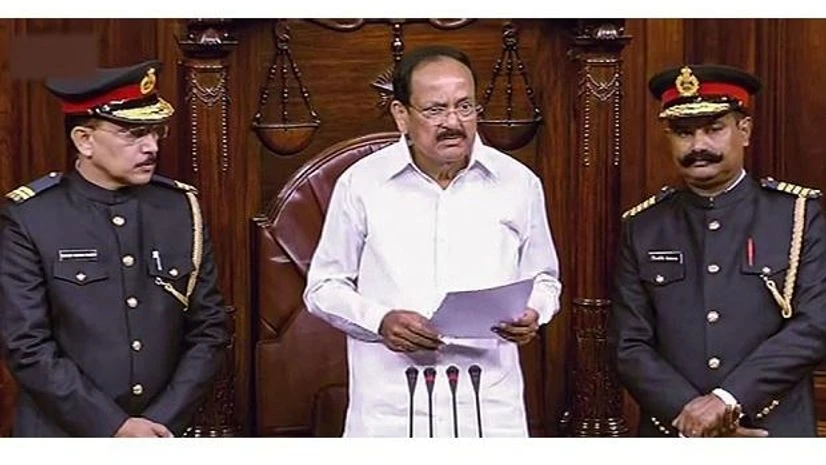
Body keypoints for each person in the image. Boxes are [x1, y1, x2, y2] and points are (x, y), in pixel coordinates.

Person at [303, 45, 562, 437]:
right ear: (401, 115)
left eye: (465, 106)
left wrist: (535, 312)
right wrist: (380, 320)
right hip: (391, 411)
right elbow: (323, 287)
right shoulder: (361, 183)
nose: (453, 122)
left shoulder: (519, 183)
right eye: (435, 109)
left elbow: (545, 279)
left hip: (489, 409)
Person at [0, 60, 228, 437]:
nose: (151, 146)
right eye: (132, 133)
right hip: (61, 435)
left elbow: (210, 329)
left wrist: (159, 423)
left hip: (164, 433)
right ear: (84, 141)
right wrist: (115, 427)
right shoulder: (30, 217)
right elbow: (26, 344)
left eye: (155, 132)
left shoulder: (179, 208)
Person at [610, 64, 826, 437]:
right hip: (674, 430)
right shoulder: (644, 226)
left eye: (713, 129)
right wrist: (688, 413)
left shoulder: (797, 214)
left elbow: (815, 325)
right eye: (683, 132)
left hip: (774, 430)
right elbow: (628, 344)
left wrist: (727, 400)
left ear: (744, 131)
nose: (698, 146)